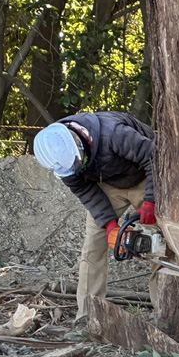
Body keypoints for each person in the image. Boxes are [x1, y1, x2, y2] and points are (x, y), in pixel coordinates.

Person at [33, 111, 156, 323]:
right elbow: (86, 192)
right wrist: (109, 225)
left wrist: (151, 202)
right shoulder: (63, 161)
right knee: (93, 245)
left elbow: (154, 157)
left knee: (160, 244)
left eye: (75, 164)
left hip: (146, 175)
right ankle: (88, 315)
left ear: (78, 143)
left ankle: (164, 312)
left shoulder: (114, 135)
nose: (73, 170)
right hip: (107, 183)